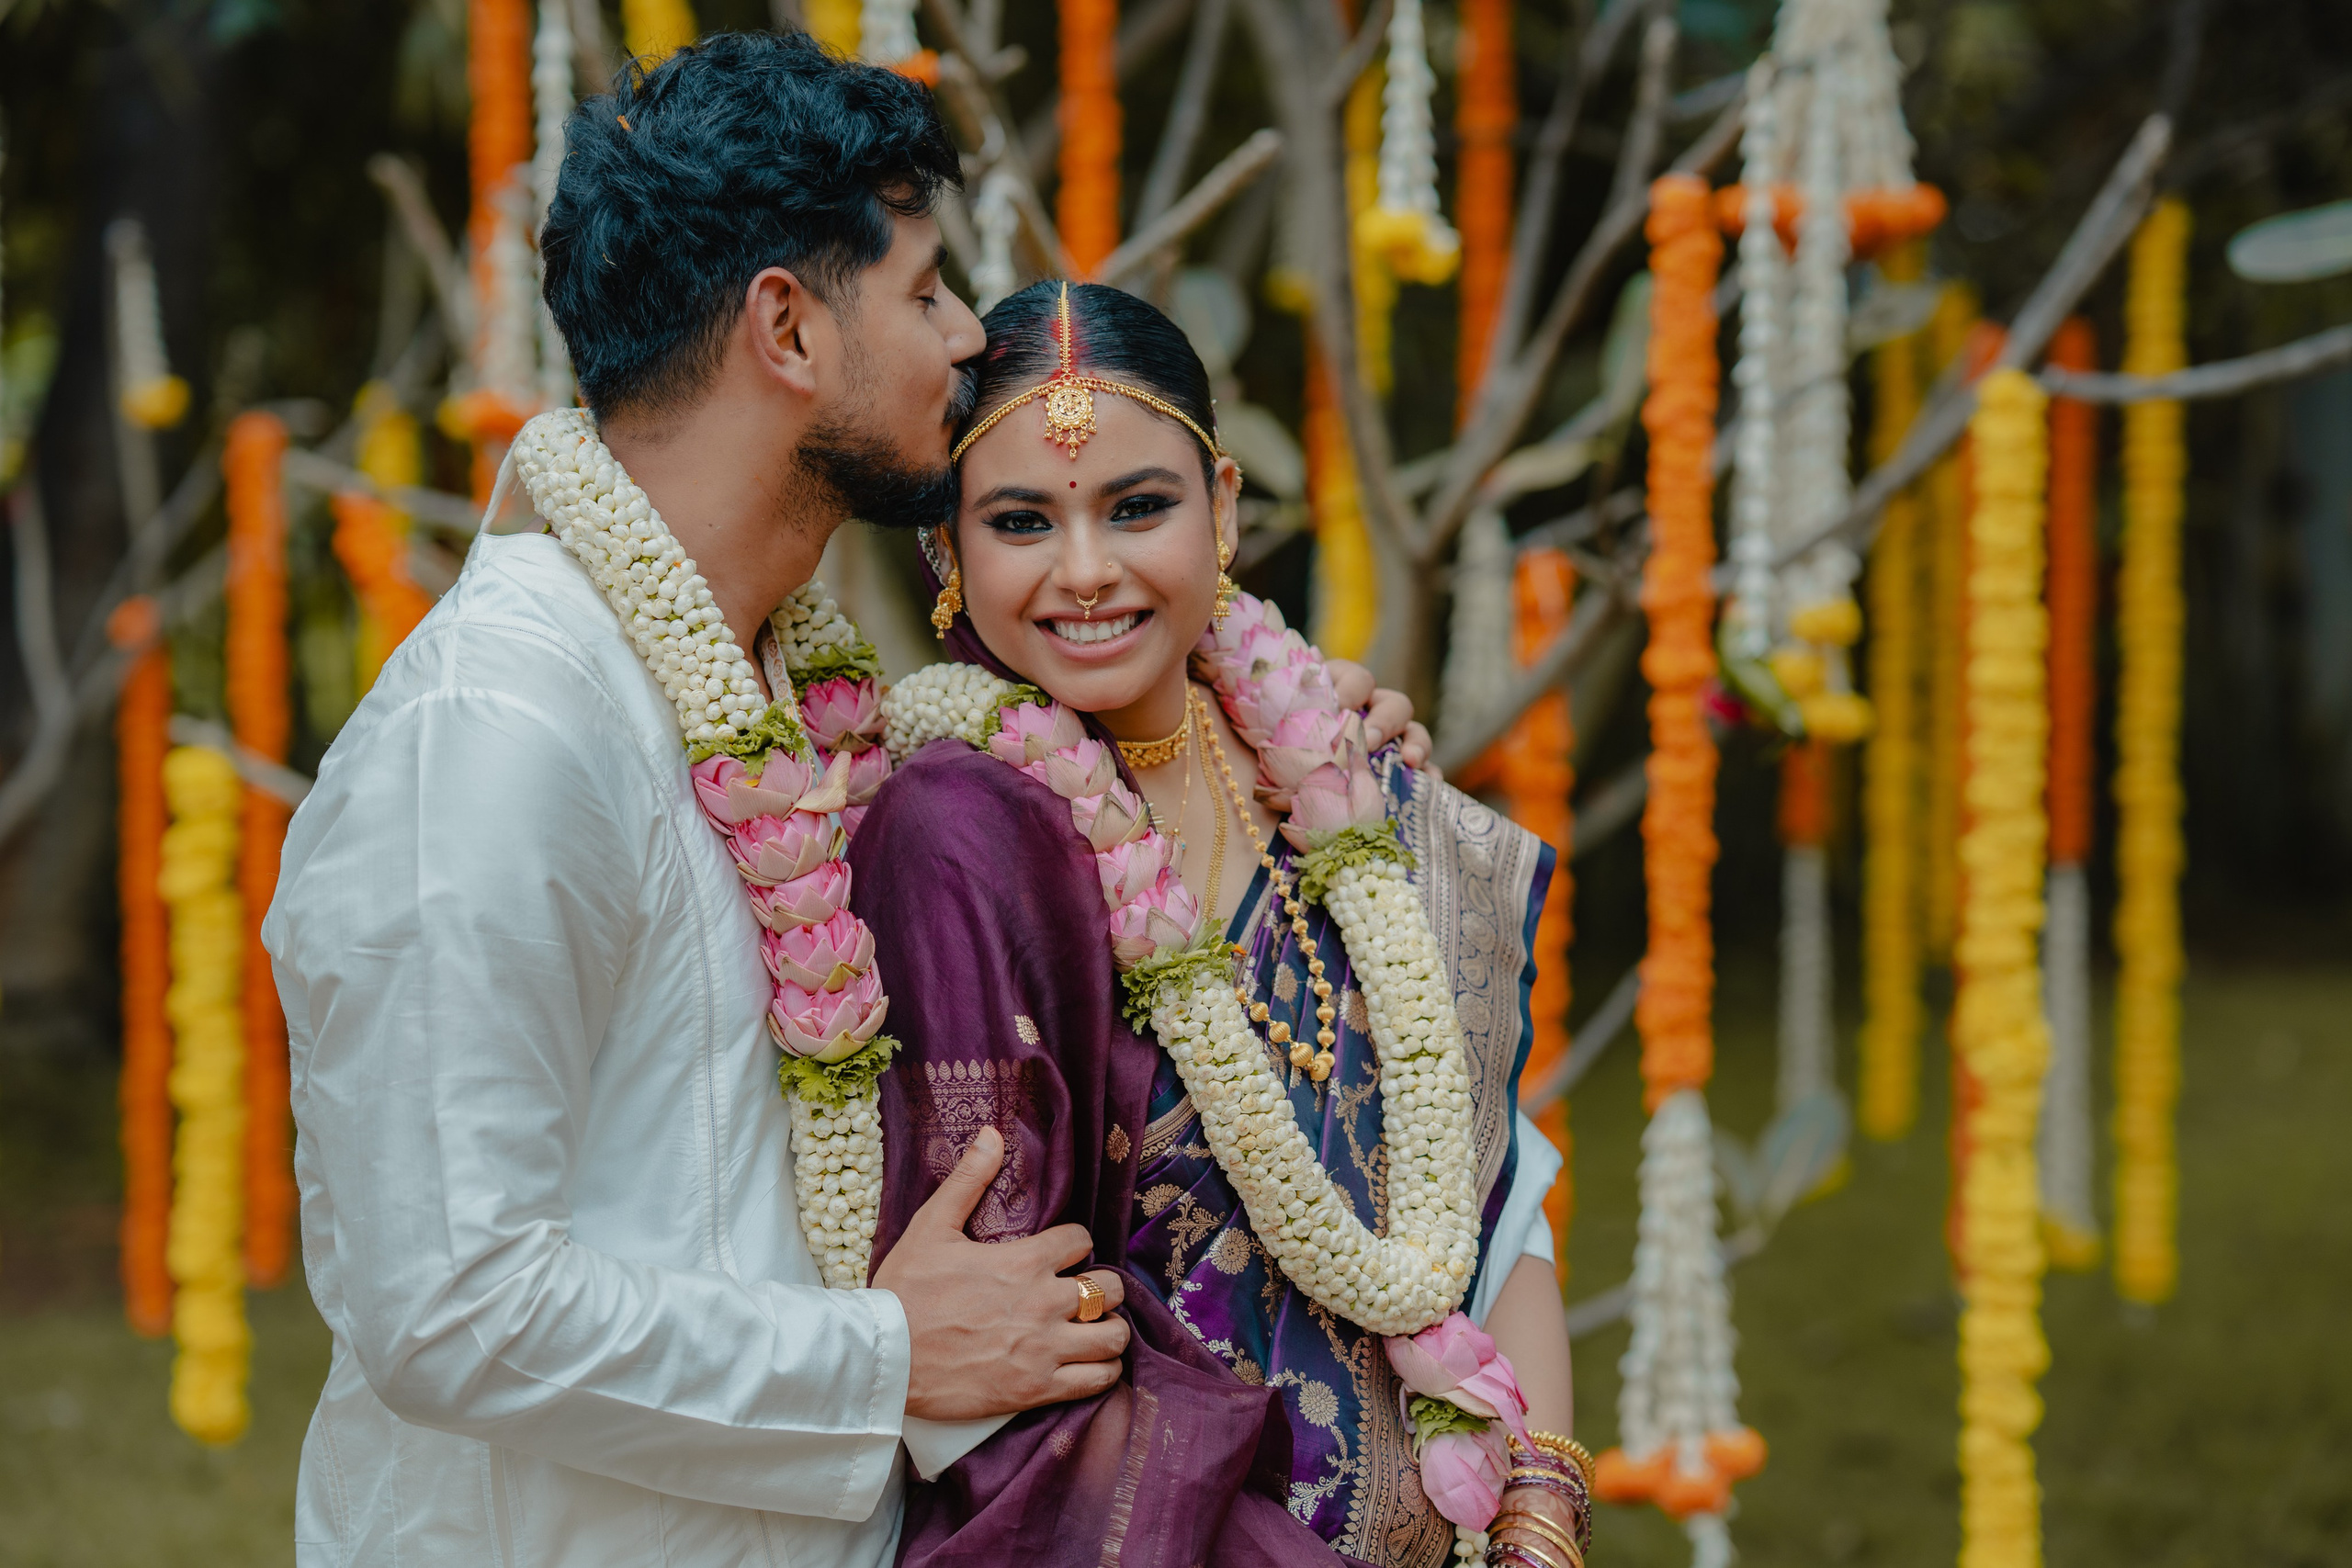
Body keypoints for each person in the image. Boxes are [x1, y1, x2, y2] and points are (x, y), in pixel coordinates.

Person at [265, 35, 1426, 1567]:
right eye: (929, 291)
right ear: (789, 329)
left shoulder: (779, 695)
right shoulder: (497, 735)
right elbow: (449, 1305)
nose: (965, 343)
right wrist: (881, 1360)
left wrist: (1265, 744)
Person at [844, 282, 1583, 1568]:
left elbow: (1495, 1194)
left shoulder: (1337, 776)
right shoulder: (963, 839)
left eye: (1138, 506)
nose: (1087, 571)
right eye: (1022, 521)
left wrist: (1541, 1522)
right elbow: (1016, 1362)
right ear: (947, 559)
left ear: (1226, 507)